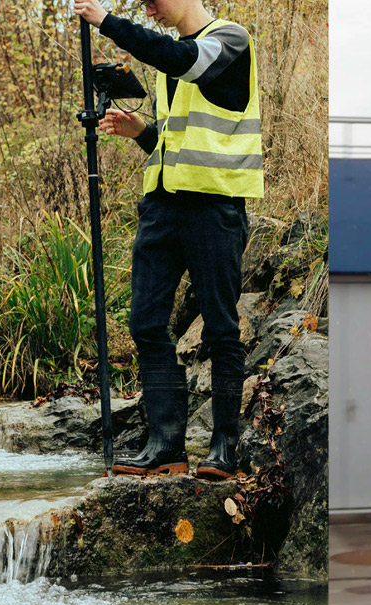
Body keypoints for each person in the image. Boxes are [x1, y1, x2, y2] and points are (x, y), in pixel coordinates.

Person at [75, 0, 261, 479]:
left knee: (221, 328)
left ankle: (224, 447)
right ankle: (165, 445)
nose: (150, 9)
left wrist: (108, 22)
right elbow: (179, 137)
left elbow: (184, 61)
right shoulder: (174, 62)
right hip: (162, 205)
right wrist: (144, 132)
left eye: (153, 1)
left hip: (214, 206)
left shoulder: (230, 40)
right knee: (145, 323)